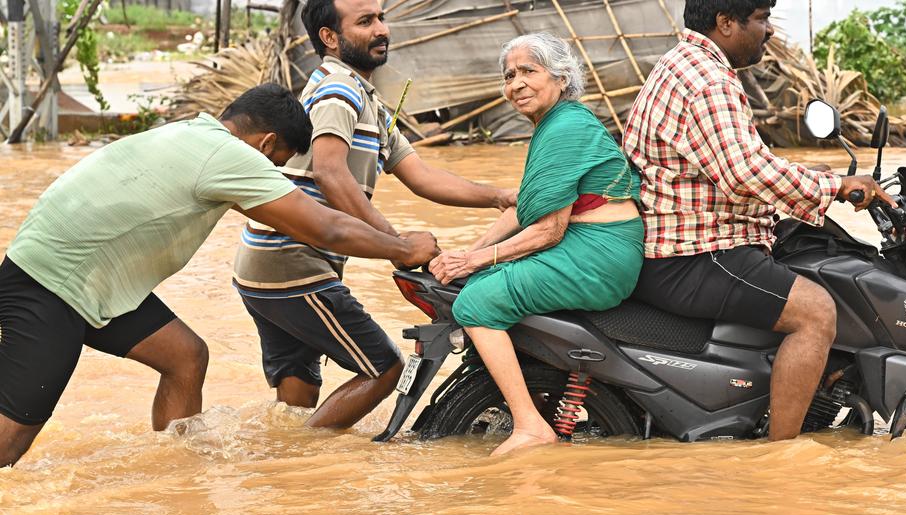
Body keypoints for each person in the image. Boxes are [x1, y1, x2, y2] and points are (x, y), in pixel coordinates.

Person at [0, 84, 439, 468]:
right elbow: (322, 226)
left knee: (185, 356)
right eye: (279, 163)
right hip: (52, 282)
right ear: (266, 144)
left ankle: (178, 474)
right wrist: (401, 247)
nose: (273, 174)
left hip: (90, 276)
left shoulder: (192, 132)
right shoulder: (230, 155)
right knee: (13, 440)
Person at [232, 0, 516, 429]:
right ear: (330, 37)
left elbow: (421, 176)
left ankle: (286, 478)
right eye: (365, 22)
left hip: (265, 265)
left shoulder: (365, 99)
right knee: (384, 368)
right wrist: (398, 247)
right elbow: (330, 173)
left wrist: (500, 196)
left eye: (381, 18)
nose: (381, 29)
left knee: (298, 390)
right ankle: (299, 459)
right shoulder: (337, 92)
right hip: (294, 264)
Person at [622, 0, 895, 441]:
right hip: (696, 250)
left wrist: (813, 177)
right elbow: (744, 171)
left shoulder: (683, 62)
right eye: (762, 19)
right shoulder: (708, 80)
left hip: (687, 236)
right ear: (726, 23)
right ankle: (780, 454)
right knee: (817, 313)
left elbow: (740, 160)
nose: (768, 30)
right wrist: (834, 188)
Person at [429, 33, 644, 456]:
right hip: (592, 245)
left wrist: (474, 260)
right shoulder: (556, 125)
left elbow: (548, 230)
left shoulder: (565, 126)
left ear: (561, 78)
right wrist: (465, 256)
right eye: (509, 75)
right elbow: (522, 209)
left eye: (529, 71)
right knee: (479, 279)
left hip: (598, 254)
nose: (516, 83)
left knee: (474, 304)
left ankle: (530, 425)